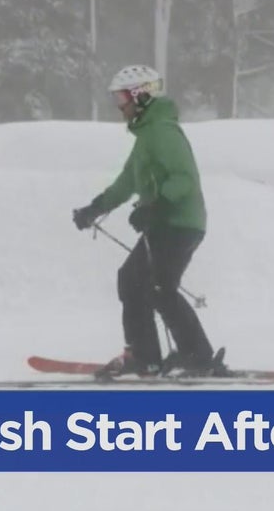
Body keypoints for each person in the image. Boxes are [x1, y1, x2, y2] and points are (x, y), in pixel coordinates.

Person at [72, 65, 223, 378]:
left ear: (141, 96)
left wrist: (155, 205)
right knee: (152, 286)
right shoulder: (147, 137)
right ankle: (185, 356)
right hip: (170, 223)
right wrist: (94, 208)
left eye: (122, 97)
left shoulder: (163, 132)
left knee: (142, 283)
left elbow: (185, 179)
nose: (119, 106)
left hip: (177, 222)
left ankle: (154, 357)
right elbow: (127, 182)